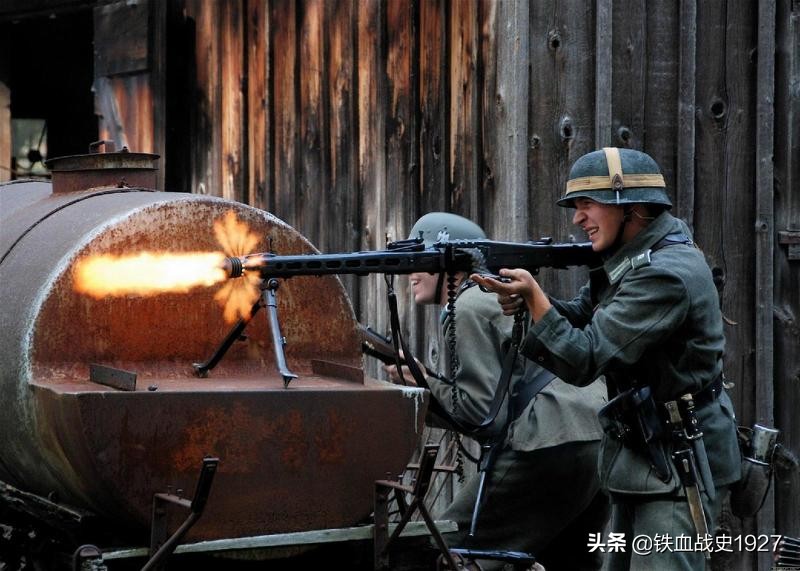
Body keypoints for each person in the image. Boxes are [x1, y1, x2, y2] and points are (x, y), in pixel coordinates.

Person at [473, 148, 742, 571]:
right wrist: (528, 305)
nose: (578, 219)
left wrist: (536, 301)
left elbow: (585, 358)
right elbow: (581, 316)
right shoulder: (631, 261)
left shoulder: (664, 274)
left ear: (631, 206)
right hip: (641, 456)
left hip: (676, 465)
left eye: (587, 204)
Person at [386, 212, 609, 571]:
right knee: (567, 558)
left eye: (422, 262)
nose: (411, 274)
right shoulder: (493, 298)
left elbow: (481, 412)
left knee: (436, 548)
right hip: (596, 437)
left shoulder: (470, 307)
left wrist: (423, 384)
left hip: (549, 440)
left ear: (452, 264)